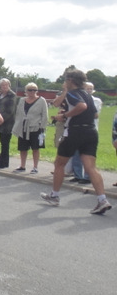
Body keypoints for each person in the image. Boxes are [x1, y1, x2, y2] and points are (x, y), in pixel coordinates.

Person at [40, 69, 111, 215]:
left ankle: (54, 195)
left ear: (70, 81)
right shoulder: (88, 95)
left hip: (75, 131)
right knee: (91, 167)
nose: (64, 82)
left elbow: (81, 107)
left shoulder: (73, 93)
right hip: (91, 131)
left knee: (59, 163)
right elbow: (94, 113)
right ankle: (102, 199)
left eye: (66, 79)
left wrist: (65, 115)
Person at [68, 82, 102, 184]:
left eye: (91, 88)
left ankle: (88, 177)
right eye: (87, 88)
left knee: (88, 156)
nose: (89, 90)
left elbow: (95, 115)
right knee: (76, 154)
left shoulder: (96, 101)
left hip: (90, 128)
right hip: (77, 129)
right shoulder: (76, 98)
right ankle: (78, 175)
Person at [11, 83, 48, 174]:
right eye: (30, 90)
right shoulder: (22, 100)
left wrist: (42, 128)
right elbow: (19, 114)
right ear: (26, 91)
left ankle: (35, 167)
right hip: (23, 127)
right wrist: (17, 126)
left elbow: (45, 115)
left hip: (36, 127)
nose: (32, 92)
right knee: (23, 148)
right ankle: (22, 166)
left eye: (34, 90)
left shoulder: (42, 100)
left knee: (35, 148)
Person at [0, 78, 17, 169]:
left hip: (7, 123)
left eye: (6, 85)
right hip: (0, 122)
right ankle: (2, 161)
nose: (5, 87)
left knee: (5, 143)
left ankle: (3, 162)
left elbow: (10, 111)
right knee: (2, 142)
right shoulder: (0, 95)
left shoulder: (11, 96)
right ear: (0, 87)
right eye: (3, 85)